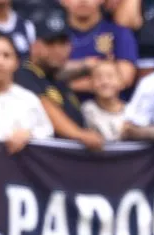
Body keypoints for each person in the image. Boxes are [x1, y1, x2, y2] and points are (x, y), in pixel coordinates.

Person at [14, 11, 103, 149]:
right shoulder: (24, 74)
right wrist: (79, 134)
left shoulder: (57, 78)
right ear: (35, 45)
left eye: (63, 43)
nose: (58, 50)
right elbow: (44, 106)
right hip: (47, 159)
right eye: (50, 43)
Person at [60, 0, 136, 96]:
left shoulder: (119, 33)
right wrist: (88, 65)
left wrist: (62, 84)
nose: (83, 1)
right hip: (61, 103)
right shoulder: (52, 36)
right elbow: (44, 74)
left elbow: (124, 79)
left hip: (107, 107)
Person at [80, 59, 126, 141]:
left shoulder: (131, 112)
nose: (105, 82)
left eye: (110, 76)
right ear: (91, 84)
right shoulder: (86, 110)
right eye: (98, 77)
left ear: (121, 83)